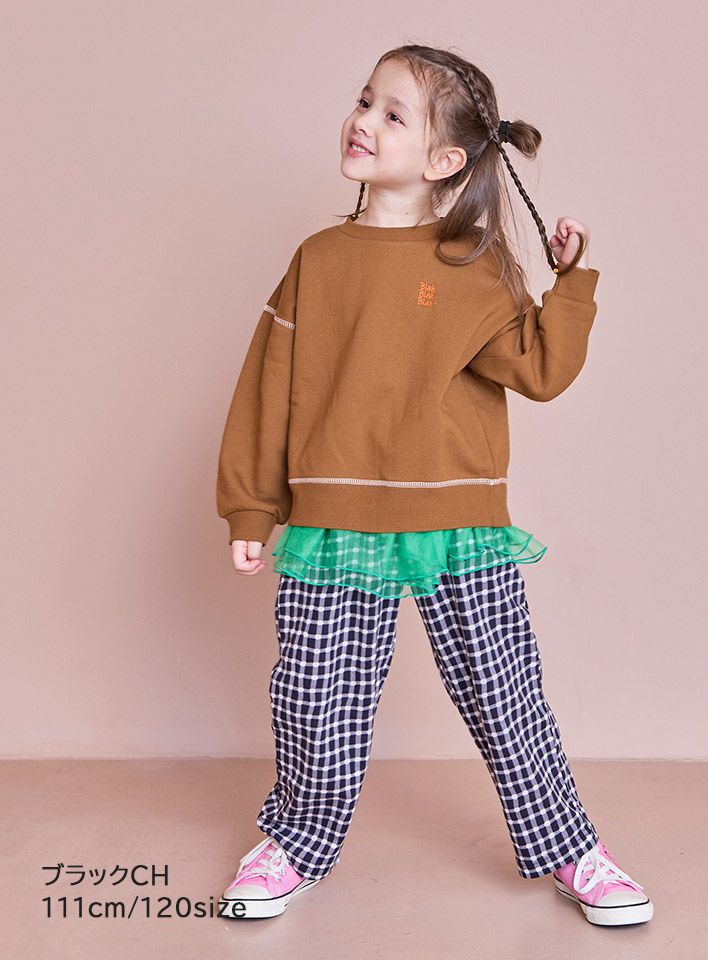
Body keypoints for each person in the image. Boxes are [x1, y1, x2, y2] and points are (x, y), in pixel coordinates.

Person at [214, 44, 654, 927]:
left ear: (445, 158)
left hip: (457, 517)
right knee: (315, 700)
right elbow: (267, 383)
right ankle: (295, 842)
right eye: (363, 101)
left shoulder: (473, 264)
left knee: (505, 694)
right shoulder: (318, 259)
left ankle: (569, 846)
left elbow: (539, 370)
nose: (363, 122)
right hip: (335, 520)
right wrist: (252, 507)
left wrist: (569, 285)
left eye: (392, 115)